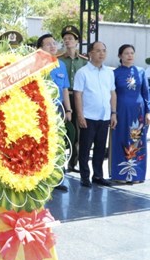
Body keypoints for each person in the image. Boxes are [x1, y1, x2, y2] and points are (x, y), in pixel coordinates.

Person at [74, 41, 116, 188]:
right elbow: (78, 95)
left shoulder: (109, 72)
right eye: (98, 51)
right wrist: (80, 115)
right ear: (90, 53)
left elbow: (112, 93)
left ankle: (98, 175)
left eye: (104, 50)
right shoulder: (82, 72)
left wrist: (113, 113)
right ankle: (85, 176)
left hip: (104, 117)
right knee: (85, 148)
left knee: (100, 148)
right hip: (88, 117)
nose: (101, 53)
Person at [110, 44, 150, 184]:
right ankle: (120, 175)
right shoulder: (114, 73)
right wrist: (113, 112)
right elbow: (111, 94)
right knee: (120, 139)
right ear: (120, 56)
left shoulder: (140, 72)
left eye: (132, 53)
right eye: (126, 53)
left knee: (136, 140)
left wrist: (148, 112)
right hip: (121, 112)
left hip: (137, 114)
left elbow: (146, 93)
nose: (130, 55)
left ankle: (136, 174)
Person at [37, 34, 71, 191]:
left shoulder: (61, 65)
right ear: (40, 49)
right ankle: (39, 178)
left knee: (58, 144)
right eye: (48, 44)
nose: (52, 46)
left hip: (58, 110)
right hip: (39, 111)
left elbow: (64, 89)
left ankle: (58, 178)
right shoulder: (35, 65)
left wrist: (68, 110)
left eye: (54, 43)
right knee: (40, 145)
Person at [57, 25, 88, 172]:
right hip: (63, 98)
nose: (67, 41)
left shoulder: (84, 61)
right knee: (61, 131)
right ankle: (59, 163)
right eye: (65, 39)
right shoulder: (58, 60)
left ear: (77, 41)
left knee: (77, 132)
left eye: (70, 38)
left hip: (79, 99)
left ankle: (73, 163)